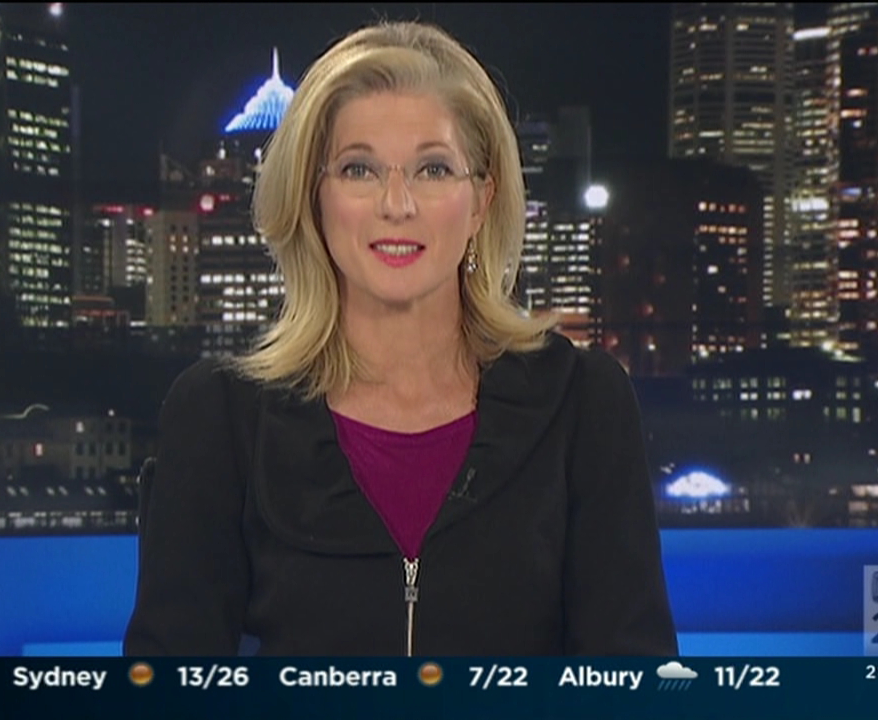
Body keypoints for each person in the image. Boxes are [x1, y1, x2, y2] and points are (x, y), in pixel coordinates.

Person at [124, 20, 675, 657]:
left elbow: (631, 681)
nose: (396, 203)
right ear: (314, 198)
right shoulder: (221, 416)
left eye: (433, 169)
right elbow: (170, 684)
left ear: (481, 201)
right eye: (358, 169)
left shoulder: (583, 404)